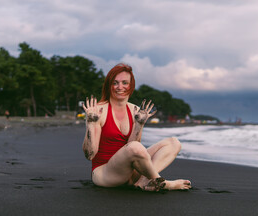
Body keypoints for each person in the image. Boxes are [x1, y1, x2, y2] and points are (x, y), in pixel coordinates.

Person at [82, 63, 191, 192]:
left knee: (173, 143)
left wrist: (139, 124)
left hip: (129, 170)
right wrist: (91, 124)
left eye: (124, 83)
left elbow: (133, 150)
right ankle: (162, 182)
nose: (120, 87)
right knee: (135, 147)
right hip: (105, 174)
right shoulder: (98, 111)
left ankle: (144, 181)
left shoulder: (135, 110)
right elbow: (90, 155)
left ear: (131, 85)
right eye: (115, 83)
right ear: (109, 86)